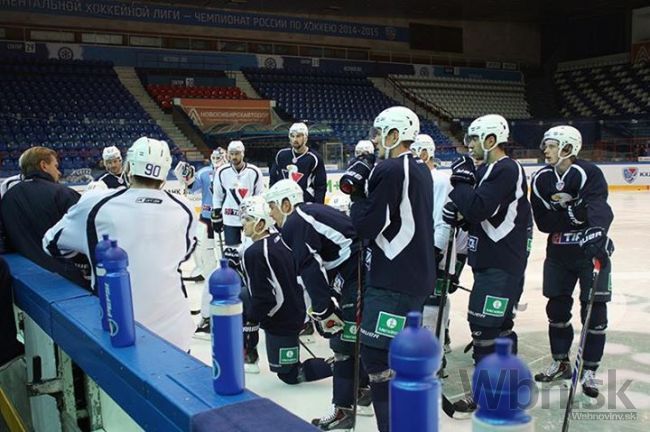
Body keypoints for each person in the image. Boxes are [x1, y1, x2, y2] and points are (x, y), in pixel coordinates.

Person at [43, 137, 197, 351]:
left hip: (118, 327)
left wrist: (89, 253)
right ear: (164, 174)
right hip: (176, 330)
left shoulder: (95, 203)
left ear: (128, 166)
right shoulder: (186, 208)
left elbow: (52, 244)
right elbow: (185, 253)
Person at [349, 106, 435, 432]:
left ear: (394, 134)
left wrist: (357, 197)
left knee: (376, 355)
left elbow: (368, 224)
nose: (375, 139)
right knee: (395, 353)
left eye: (379, 132)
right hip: (412, 276)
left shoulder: (390, 168)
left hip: (394, 280)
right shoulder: (420, 167)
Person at [264, 179, 372, 430]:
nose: (270, 213)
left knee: (342, 340)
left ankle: (344, 410)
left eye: (272, 206)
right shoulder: (307, 213)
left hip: (357, 270)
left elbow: (309, 267)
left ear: (286, 203)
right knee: (355, 334)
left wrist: (323, 310)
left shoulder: (296, 221)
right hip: (357, 268)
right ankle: (363, 388)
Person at [442, 114, 531, 412]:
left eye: (473, 139)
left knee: (484, 329)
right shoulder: (491, 169)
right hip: (493, 262)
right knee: (500, 328)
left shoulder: (506, 169)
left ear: (490, 140)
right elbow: (476, 213)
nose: (468, 145)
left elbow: (478, 207)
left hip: (501, 265)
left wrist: (459, 183)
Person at [530, 125, 614, 398]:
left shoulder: (588, 172)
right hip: (558, 253)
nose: (546, 150)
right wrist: (577, 216)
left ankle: (589, 369)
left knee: (595, 312)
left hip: (590, 253)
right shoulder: (541, 178)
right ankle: (561, 361)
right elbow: (544, 222)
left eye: (552, 145)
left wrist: (598, 232)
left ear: (568, 147)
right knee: (556, 309)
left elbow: (599, 209)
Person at [238, 195, 333, 384]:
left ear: (260, 223)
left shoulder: (253, 253)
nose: (243, 224)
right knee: (245, 295)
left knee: (290, 374)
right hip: (297, 312)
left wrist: (253, 318)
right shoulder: (281, 239)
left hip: (281, 320)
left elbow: (264, 299)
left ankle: (339, 364)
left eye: (248, 219)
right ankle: (250, 351)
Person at [1, 147, 89, 288]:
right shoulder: (63, 194)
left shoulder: (8, 197)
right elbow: (86, 237)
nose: (59, 172)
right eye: (55, 166)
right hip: (67, 279)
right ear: (43, 165)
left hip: (25, 279)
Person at [174, 148, 227, 333]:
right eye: (214, 157)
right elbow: (192, 187)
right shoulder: (205, 173)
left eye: (220, 157)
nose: (217, 160)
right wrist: (186, 177)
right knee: (211, 267)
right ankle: (208, 314)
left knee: (225, 267)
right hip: (207, 222)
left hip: (228, 223)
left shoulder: (230, 174)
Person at [269, 122, 327, 203]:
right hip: (284, 203)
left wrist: (318, 207)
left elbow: (320, 186)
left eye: (298, 136)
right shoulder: (281, 155)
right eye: (292, 136)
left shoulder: (314, 158)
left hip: (305, 203)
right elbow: (273, 180)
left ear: (306, 137)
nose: (295, 139)